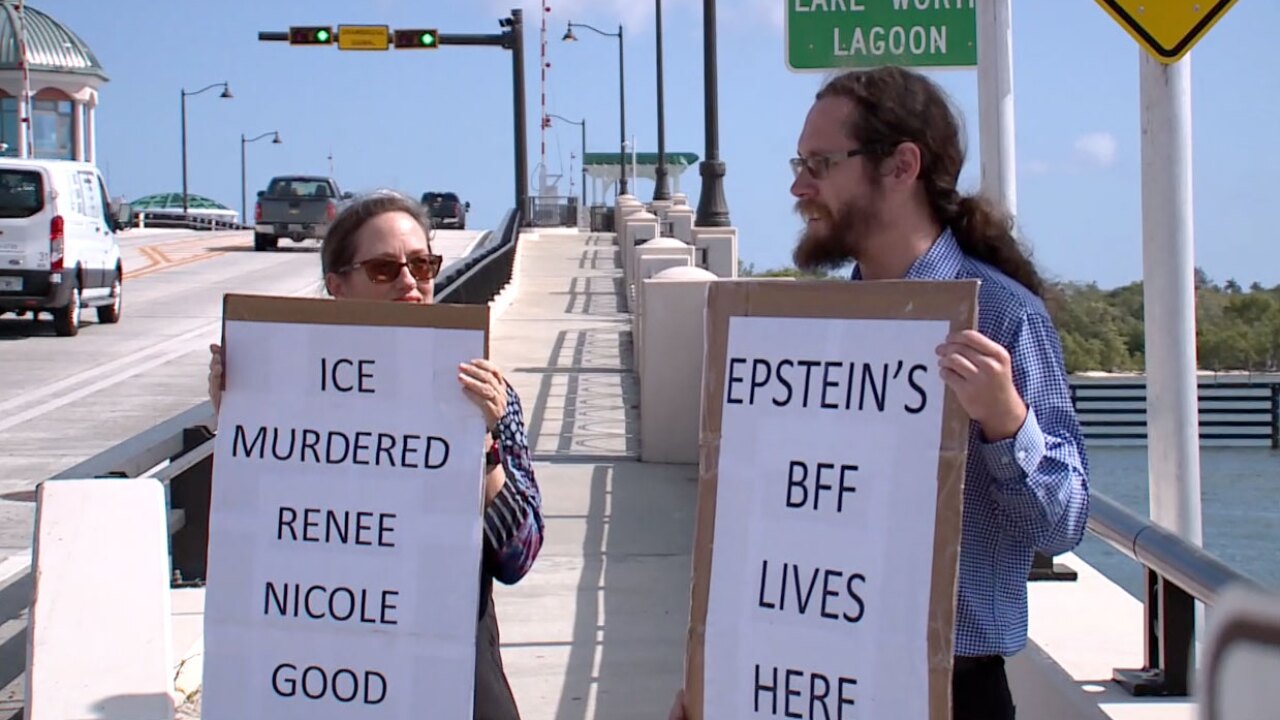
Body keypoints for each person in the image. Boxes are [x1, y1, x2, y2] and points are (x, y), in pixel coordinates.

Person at [669, 66, 1091, 720]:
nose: (798, 185)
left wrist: (1006, 422)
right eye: (799, 161)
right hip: (815, 682)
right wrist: (720, 677)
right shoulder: (809, 335)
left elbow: (1062, 526)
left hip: (954, 691)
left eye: (820, 162)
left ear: (901, 166)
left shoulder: (1005, 320)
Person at [207, 191, 544, 719]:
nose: (411, 282)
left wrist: (482, 447)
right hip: (323, 679)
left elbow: (518, 557)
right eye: (385, 269)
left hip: (452, 672)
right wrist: (238, 417)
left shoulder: (487, 393)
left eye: (423, 264)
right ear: (338, 286)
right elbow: (252, 537)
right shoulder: (289, 398)